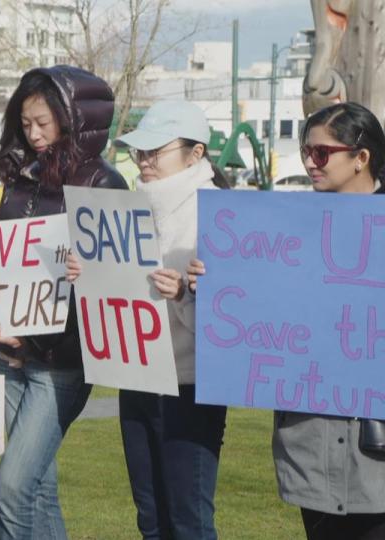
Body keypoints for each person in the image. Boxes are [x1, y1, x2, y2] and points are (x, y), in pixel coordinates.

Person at [189, 101, 385, 540]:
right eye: (305, 153)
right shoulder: (284, 229)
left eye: (321, 153)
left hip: (375, 453)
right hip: (310, 444)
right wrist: (215, 282)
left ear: (361, 157)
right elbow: (258, 311)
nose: (311, 164)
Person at [0, 65, 127, 540]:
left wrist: (85, 275)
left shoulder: (102, 183)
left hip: (61, 361)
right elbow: (2, 262)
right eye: (26, 123)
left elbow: (117, 285)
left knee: (14, 485)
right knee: (39, 486)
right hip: (10, 352)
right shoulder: (20, 177)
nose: (33, 134)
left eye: (43, 123)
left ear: (69, 118)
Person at [112, 100, 229, 540]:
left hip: (190, 385)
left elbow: (237, 323)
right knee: (151, 519)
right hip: (137, 374)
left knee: (188, 519)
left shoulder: (218, 212)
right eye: (139, 152)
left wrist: (183, 295)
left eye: (154, 151)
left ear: (195, 153)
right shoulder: (131, 207)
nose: (144, 161)